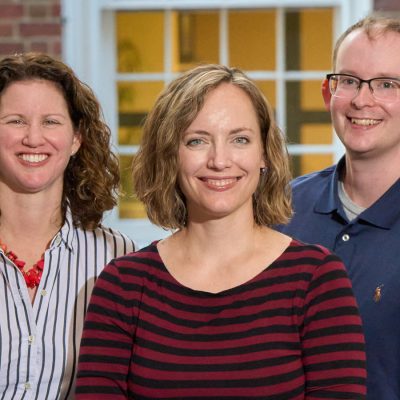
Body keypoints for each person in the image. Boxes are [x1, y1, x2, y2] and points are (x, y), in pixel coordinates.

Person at [75, 64, 366, 399]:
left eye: (239, 139)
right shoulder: (123, 286)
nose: (220, 160)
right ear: (170, 154)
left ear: (263, 154)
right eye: (197, 141)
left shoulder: (316, 279)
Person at [276, 15, 400, 399]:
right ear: (328, 93)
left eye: (386, 84)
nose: (363, 99)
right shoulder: (280, 210)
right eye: (348, 81)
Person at [0, 52, 136, 399]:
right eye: (15, 121)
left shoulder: (117, 258)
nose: (33, 138)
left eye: (51, 122)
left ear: (77, 138)